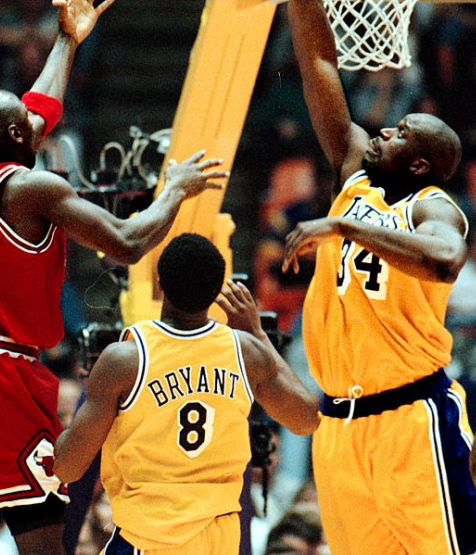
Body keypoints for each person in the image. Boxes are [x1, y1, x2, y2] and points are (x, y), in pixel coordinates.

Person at [0, 0, 229, 555]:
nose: (39, 126)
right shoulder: (31, 187)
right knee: (45, 544)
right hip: (1, 376)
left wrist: (68, 38)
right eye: (28, 127)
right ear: (18, 137)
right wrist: (174, 189)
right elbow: (127, 242)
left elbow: (37, 109)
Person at [274, 0, 476, 554]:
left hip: (413, 418)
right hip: (340, 427)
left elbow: (444, 260)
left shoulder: (435, 207)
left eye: (400, 134)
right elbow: (317, 62)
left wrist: (345, 225)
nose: (383, 131)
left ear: (420, 164)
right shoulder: (353, 171)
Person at [53, 232, 320, 554]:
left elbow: (67, 468)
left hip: (149, 539)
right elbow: (307, 419)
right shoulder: (246, 352)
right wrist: (258, 334)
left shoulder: (126, 359)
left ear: (159, 284)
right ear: (217, 291)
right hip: (219, 542)